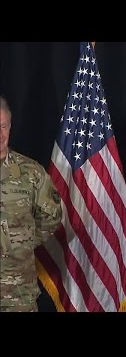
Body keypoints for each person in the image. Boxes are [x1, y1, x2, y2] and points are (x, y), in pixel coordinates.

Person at [0, 96, 62, 312]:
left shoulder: (31, 172)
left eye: (3, 126)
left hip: (18, 294)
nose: (0, 135)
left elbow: (51, 218)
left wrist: (19, 240)